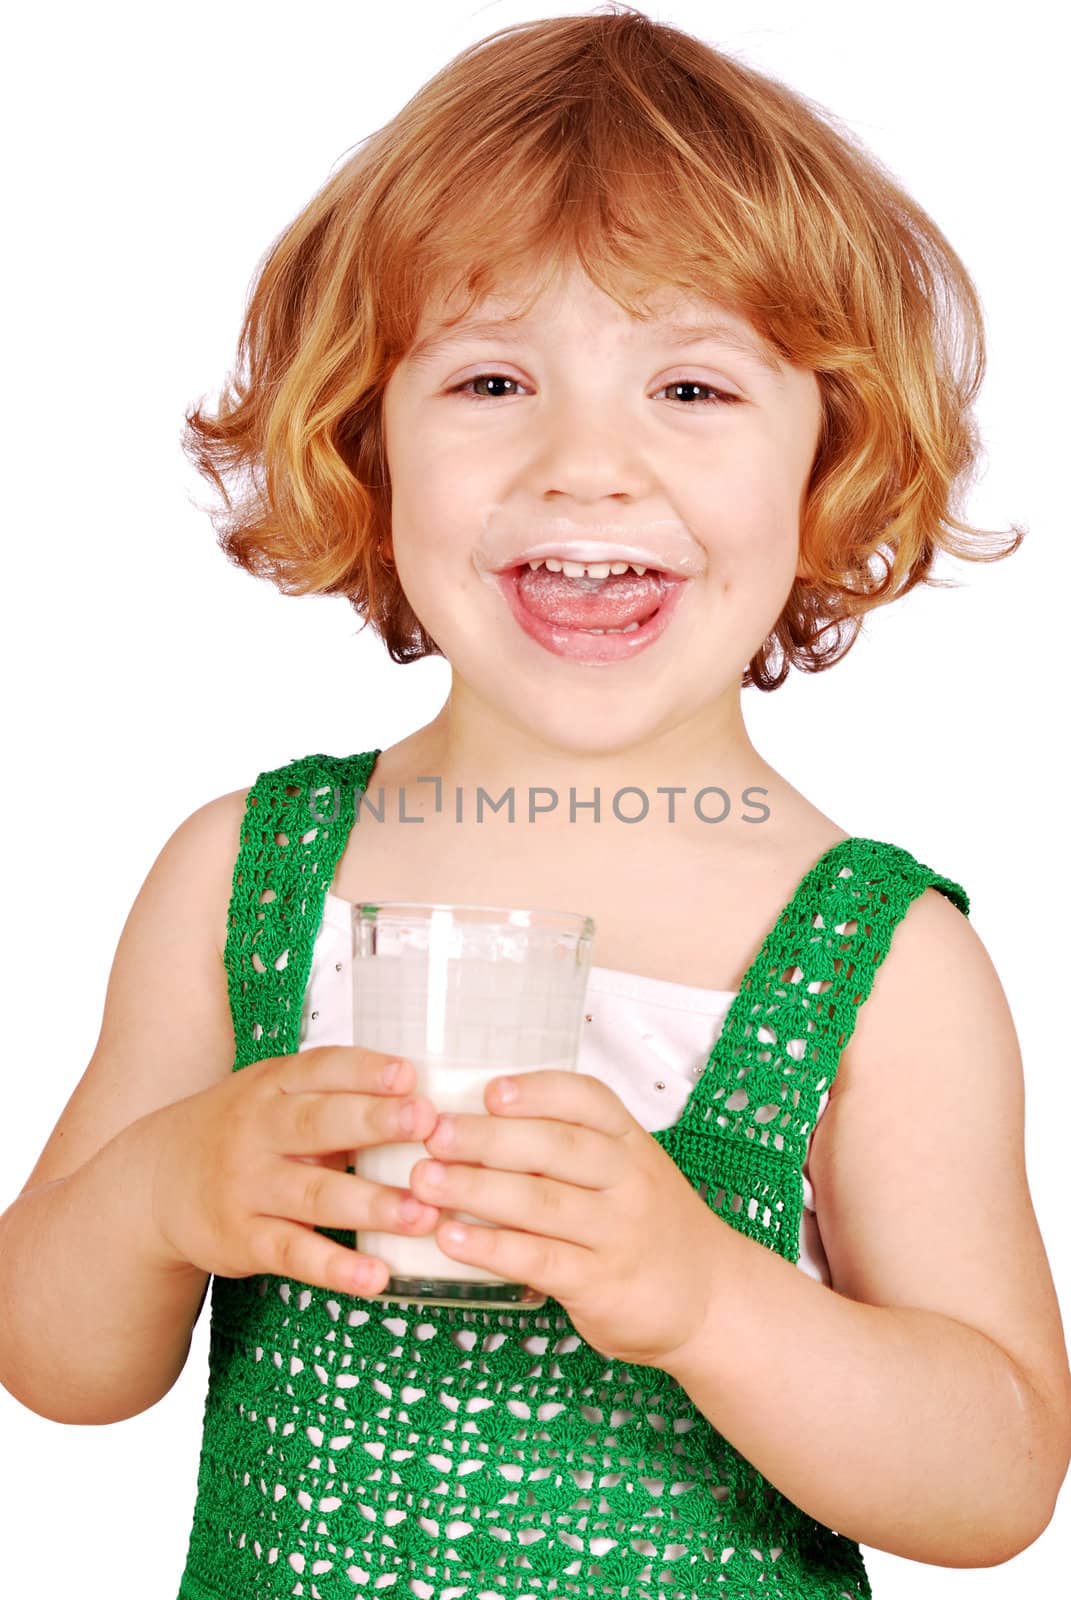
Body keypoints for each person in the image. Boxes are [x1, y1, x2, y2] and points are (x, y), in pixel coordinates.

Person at [1, 6, 1069, 1596]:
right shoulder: (246, 874)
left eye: (692, 391)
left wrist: (704, 1292)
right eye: (493, 379)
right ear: (365, 439)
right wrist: (167, 1193)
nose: (587, 465)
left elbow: (993, 1485)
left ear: (826, 459)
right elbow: (59, 1366)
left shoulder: (879, 963)